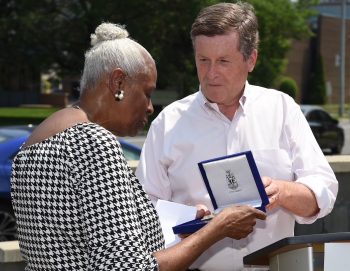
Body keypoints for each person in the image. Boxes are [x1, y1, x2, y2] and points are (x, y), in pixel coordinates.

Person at [11, 22, 266, 270]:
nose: (150, 107)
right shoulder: (94, 142)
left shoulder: (35, 144)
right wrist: (216, 230)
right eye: (146, 92)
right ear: (118, 83)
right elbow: (129, 266)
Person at [136, 2, 338, 271]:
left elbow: (323, 191)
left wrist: (282, 191)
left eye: (223, 61)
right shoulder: (167, 123)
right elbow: (142, 214)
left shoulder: (282, 109)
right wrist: (186, 221)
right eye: (203, 60)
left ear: (251, 59)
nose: (211, 74)